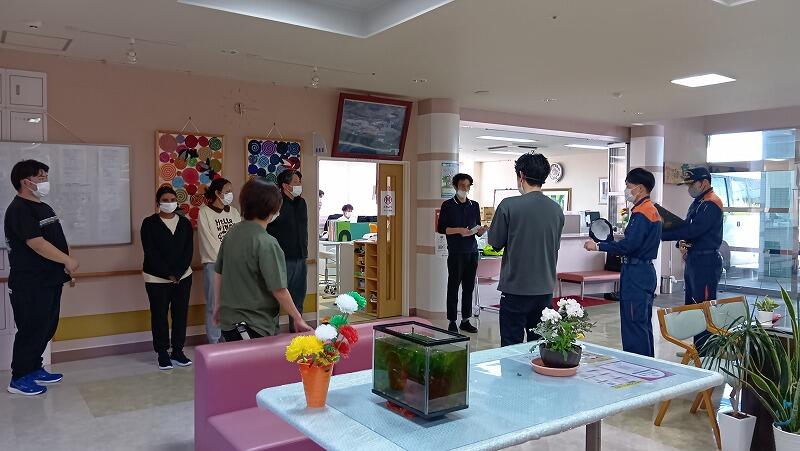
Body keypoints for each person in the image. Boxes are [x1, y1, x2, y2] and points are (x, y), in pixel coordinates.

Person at [5, 160, 78, 395]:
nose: (45, 181)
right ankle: (19, 378)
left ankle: (34, 369)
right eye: (40, 177)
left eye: (46, 176)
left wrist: (65, 262)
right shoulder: (19, 209)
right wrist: (67, 260)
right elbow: (36, 243)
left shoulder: (44, 207)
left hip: (50, 280)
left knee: (45, 328)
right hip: (30, 283)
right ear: (25, 182)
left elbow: (56, 239)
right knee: (31, 329)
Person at [213, 178, 312, 339]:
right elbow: (279, 289)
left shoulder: (232, 232)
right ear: (274, 207)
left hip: (229, 322)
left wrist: (217, 305)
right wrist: (298, 318)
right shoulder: (266, 242)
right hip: (252, 325)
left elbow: (218, 272)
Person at [488, 153, 565, 346]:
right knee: (539, 346)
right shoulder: (556, 209)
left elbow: (495, 242)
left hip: (515, 289)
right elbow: (554, 246)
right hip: (545, 289)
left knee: (511, 345)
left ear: (521, 175)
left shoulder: (508, 205)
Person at [584, 168, 661, 357]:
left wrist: (598, 246)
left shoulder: (643, 212)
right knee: (641, 323)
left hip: (636, 273)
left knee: (634, 323)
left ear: (640, 188)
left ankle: (637, 367)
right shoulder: (650, 210)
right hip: (642, 271)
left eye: (628, 186)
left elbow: (629, 246)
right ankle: (646, 365)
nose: (626, 190)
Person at [662, 167, 723, 353]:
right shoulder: (699, 202)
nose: (689, 188)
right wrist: (681, 241)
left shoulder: (711, 203)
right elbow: (688, 228)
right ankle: (697, 348)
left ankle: (706, 351)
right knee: (693, 306)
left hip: (706, 262)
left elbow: (694, 230)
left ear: (704, 183)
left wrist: (662, 234)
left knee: (703, 306)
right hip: (694, 259)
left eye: (691, 184)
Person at [141, 186, 194, 370]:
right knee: (159, 315)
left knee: (180, 314)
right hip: (156, 279)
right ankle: (162, 353)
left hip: (183, 277)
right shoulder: (149, 224)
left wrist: (178, 273)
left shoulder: (184, 223)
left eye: (172, 200)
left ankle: (178, 351)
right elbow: (151, 252)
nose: (169, 203)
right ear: (158, 203)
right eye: (165, 200)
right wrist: (168, 274)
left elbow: (188, 251)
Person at [437, 173, 487, 333]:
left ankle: (465, 320)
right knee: (453, 287)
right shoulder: (448, 205)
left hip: (472, 251)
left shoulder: (474, 205)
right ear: (455, 186)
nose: (465, 189)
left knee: (468, 287)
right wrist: (459, 230)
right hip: (456, 252)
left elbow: (477, 227)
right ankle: (452, 320)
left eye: (467, 186)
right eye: (461, 186)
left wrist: (481, 231)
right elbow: (441, 228)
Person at [198, 178, 241, 344]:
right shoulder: (205, 213)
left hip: (234, 265)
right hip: (214, 265)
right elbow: (209, 242)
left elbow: (239, 237)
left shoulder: (234, 212)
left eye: (231, 191)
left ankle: (230, 338)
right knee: (214, 305)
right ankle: (214, 342)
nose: (231, 194)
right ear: (217, 193)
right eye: (227, 191)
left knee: (233, 305)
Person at [267, 169, 309, 332]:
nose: (299, 185)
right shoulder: (276, 203)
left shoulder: (302, 203)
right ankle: (272, 336)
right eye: (296, 182)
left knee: (298, 300)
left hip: (300, 257)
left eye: (300, 182)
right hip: (280, 258)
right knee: (274, 301)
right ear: (285, 186)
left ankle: (296, 335)